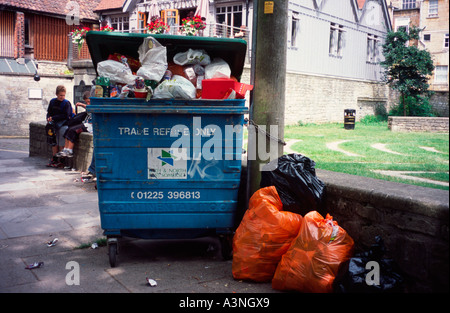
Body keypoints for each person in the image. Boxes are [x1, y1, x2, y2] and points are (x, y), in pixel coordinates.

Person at [56, 91, 92, 159]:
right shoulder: (89, 106)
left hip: (89, 126)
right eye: (86, 102)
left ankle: (70, 150)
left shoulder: (94, 106)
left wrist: (82, 105)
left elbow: (90, 109)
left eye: (89, 101)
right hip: (85, 123)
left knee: (73, 130)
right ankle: (65, 149)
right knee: (68, 129)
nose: (88, 103)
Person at [46, 85, 74, 167]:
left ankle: (62, 161)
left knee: (61, 143)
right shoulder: (52, 102)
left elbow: (66, 116)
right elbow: (49, 112)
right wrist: (48, 118)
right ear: (56, 94)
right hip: (54, 125)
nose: (62, 97)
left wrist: (53, 117)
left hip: (63, 125)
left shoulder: (66, 103)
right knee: (54, 143)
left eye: (63, 95)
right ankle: (54, 159)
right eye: (60, 95)